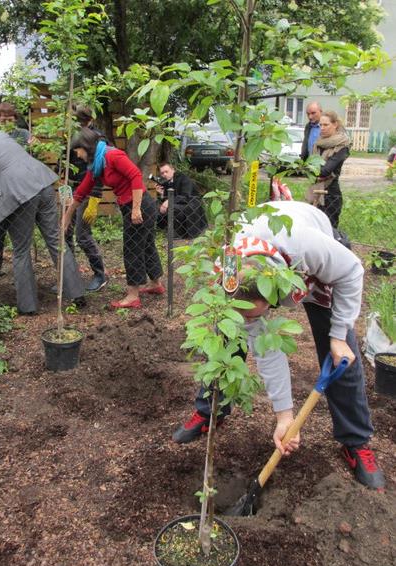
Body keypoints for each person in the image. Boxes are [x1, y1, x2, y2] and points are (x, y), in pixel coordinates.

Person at [173, 200, 385, 491]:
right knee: (224, 339)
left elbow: (352, 271)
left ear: (275, 293)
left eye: (258, 312)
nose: (253, 319)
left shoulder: (309, 247)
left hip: (314, 268)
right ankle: (210, 410)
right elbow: (266, 350)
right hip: (265, 260)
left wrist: (338, 335)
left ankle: (356, 440)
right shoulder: (229, 266)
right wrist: (284, 416)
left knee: (341, 357)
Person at [0, 129, 85, 315]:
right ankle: (77, 293)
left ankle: (28, 307)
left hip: (18, 193)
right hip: (42, 182)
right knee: (56, 240)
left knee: (20, 250)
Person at [65, 127, 164, 308]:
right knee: (147, 244)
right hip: (137, 206)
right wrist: (66, 217)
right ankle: (156, 284)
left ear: (86, 147)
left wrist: (135, 209)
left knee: (132, 249)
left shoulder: (112, 156)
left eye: (78, 151)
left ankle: (133, 296)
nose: (77, 155)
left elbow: (135, 175)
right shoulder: (97, 165)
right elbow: (81, 192)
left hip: (139, 205)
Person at [0, 102, 33, 282]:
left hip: (20, 188)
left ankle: (21, 268)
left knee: (21, 229)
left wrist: (34, 146)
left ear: (16, 119)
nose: (7, 124)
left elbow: (32, 156)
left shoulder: (23, 134)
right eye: (3, 120)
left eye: (11, 120)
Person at [65, 106, 108, 292]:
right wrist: (65, 191)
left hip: (88, 191)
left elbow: (100, 170)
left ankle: (100, 274)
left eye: (79, 121)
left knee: (82, 235)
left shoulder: (98, 138)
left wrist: (95, 197)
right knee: (65, 232)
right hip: (71, 188)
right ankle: (70, 274)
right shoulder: (70, 135)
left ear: (87, 119)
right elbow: (63, 163)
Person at [307, 111, 350, 228]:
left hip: (330, 193)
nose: (322, 128)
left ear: (335, 124)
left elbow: (325, 170)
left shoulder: (342, 145)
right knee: (313, 228)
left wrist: (311, 169)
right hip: (315, 190)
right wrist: (311, 169)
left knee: (329, 230)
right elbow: (311, 166)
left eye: (326, 125)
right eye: (320, 125)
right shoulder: (319, 143)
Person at [155, 162, 207, 239]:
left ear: (173, 170)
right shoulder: (167, 182)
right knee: (156, 205)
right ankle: (165, 228)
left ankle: (179, 233)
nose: (164, 174)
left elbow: (185, 196)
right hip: (179, 203)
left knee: (172, 207)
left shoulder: (184, 179)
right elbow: (167, 199)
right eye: (162, 173)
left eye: (166, 171)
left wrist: (169, 202)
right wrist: (162, 194)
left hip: (191, 204)